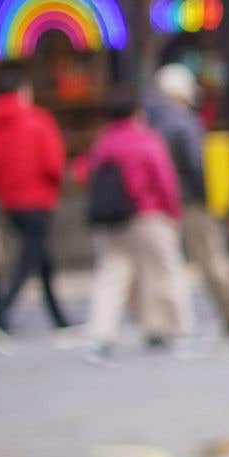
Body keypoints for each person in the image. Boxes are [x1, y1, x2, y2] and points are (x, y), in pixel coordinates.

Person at [75, 90, 188, 359]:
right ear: (137, 114)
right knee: (162, 271)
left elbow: (84, 173)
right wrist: (173, 212)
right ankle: (168, 328)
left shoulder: (103, 143)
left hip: (114, 220)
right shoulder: (146, 140)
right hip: (149, 214)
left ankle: (101, 334)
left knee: (111, 275)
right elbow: (164, 180)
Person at [0, 62, 70, 333]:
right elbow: (53, 163)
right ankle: (2, 309)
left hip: (8, 202)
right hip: (38, 199)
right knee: (29, 256)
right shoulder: (38, 121)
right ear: (21, 91)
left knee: (41, 257)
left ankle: (57, 315)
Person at [146, 62, 229, 334]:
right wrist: (209, 196)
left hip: (160, 203)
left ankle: (160, 326)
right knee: (211, 258)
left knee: (160, 265)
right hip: (191, 202)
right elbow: (196, 163)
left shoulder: (151, 120)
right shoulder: (182, 122)